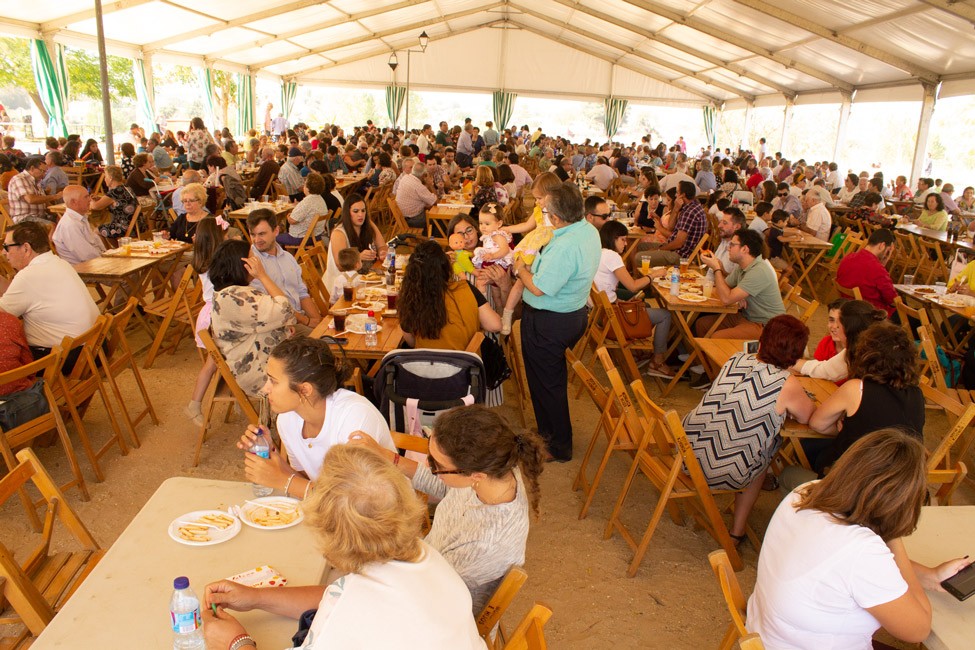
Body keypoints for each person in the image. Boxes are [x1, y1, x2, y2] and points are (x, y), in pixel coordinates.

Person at [202, 445, 485, 650]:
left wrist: (236, 642)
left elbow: (346, 605)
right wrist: (257, 597)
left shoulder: (351, 610)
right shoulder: (425, 556)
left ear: (330, 538)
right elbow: (335, 595)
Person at [752, 429, 971, 650]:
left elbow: (864, 572)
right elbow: (919, 629)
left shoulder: (807, 492)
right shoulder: (861, 551)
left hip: (769, 633)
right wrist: (893, 535)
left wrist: (931, 576)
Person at [350, 404, 544, 613]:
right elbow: (445, 486)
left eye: (436, 465)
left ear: (475, 475)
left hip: (442, 607)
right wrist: (388, 457)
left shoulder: (485, 543)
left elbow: (429, 590)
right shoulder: (495, 467)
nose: (429, 466)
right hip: (428, 566)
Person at [682, 315, 816, 543]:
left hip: (686, 453)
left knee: (747, 438)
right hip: (720, 470)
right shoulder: (786, 382)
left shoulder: (736, 359)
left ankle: (739, 520)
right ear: (796, 353)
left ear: (763, 340)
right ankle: (737, 531)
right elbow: (807, 416)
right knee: (765, 451)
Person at [236, 336, 394, 495]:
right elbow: (305, 481)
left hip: (384, 514)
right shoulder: (287, 419)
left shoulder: (354, 416)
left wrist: (282, 480)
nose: (265, 389)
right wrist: (270, 453)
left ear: (305, 390)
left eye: (273, 381)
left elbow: (350, 502)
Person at [515, 183, 599, 462]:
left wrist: (521, 269)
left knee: (547, 383)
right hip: (570, 313)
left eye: (545, 210)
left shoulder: (566, 244)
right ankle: (547, 433)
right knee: (547, 380)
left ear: (559, 217)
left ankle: (557, 445)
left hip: (550, 320)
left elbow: (538, 288)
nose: (542, 213)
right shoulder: (586, 229)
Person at [791, 322, 925, 481]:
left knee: (790, 472)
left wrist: (846, 428)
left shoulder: (856, 388)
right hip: (899, 482)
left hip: (855, 478)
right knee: (813, 448)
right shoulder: (917, 395)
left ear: (866, 355)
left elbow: (816, 424)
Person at [0, 221, 98, 374]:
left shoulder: (29, 276)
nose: (4, 253)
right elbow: (15, 295)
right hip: (93, 348)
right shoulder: (58, 262)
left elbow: (3, 316)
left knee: (6, 354)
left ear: (26, 248)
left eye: (7, 247)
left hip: (65, 357)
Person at [209, 239, 296, 396]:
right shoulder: (234, 298)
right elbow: (285, 309)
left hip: (263, 359)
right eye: (252, 258)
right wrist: (262, 275)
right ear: (241, 265)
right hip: (259, 373)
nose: (257, 262)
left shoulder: (230, 292)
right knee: (314, 374)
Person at [595, 221, 675, 378]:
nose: (626, 244)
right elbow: (633, 286)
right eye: (623, 239)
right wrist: (653, 276)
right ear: (613, 238)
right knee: (665, 315)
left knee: (642, 304)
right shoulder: (612, 256)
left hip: (598, 314)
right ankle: (657, 362)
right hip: (611, 319)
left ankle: (637, 352)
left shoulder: (598, 252)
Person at [399, 240, 501, 349]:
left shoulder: (410, 297)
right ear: (446, 268)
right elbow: (495, 325)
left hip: (424, 363)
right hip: (464, 363)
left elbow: (411, 343)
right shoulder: (465, 289)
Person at [697, 228, 785, 340]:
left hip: (766, 325)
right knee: (702, 324)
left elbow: (726, 299)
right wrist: (736, 296)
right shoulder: (742, 266)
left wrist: (716, 268)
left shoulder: (759, 270)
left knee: (718, 337)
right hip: (746, 317)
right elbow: (725, 288)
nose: (728, 248)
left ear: (744, 249)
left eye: (732, 245)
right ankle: (702, 357)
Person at [247, 210, 322, 331]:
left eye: (261, 234)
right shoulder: (253, 263)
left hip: (300, 318)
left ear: (276, 231)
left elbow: (302, 293)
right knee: (325, 344)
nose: (257, 240)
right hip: (281, 325)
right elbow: (271, 306)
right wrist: (307, 322)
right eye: (253, 234)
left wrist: (317, 321)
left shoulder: (288, 258)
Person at [184, 217, 228, 426]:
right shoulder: (217, 264)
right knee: (213, 363)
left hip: (210, 312)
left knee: (215, 361)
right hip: (217, 315)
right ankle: (194, 403)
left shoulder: (203, 259)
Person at [792, 299, 884, 382]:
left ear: (851, 330)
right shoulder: (858, 348)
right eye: (832, 320)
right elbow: (823, 370)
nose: (835, 327)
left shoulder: (867, 354)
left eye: (840, 325)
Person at [323, 194, 387, 296]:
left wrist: (382, 252)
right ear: (347, 213)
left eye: (363, 210)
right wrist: (359, 257)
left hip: (362, 277)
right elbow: (340, 265)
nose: (360, 215)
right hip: (341, 285)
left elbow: (382, 246)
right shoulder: (339, 233)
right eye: (356, 211)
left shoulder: (368, 224)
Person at [635, 181, 707, 267]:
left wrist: (659, 249)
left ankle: (650, 278)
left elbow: (678, 243)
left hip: (680, 255)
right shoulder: (690, 207)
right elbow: (670, 227)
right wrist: (676, 209)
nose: (675, 195)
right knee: (641, 246)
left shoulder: (690, 213)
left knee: (639, 257)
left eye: (677, 192)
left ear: (682, 195)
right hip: (674, 248)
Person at [836, 227, 897, 316]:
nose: (888, 254)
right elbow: (892, 300)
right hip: (872, 314)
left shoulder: (849, 257)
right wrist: (884, 262)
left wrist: (882, 264)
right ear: (882, 246)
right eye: (888, 251)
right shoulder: (877, 268)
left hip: (847, 309)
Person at [51, 185, 105, 265]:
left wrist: (107, 255)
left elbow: (95, 242)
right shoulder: (69, 225)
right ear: (74, 202)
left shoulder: (79, 218)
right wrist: (107, 259)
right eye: (86, 197)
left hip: (94, 264)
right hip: (84, 271)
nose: (90, 200)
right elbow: (86, 255)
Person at [277, 171, 328, 247]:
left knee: (272, 237)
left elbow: (292, 220)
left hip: (301, 237)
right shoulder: (320, 199)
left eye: (305, 184)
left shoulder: (307, 202)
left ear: (308, 188)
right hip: (317, 236)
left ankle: (286, 258)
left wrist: (288, 217)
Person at [92, 165, 141, 240]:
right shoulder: (127, 188)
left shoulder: (114, 193)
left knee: (97, 230)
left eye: (106, 177)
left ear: (111, 178)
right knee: (107, 228)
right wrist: (101, 198)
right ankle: (117, 248)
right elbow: (119, 200)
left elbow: (95, 206)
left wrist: (90, 200)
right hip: (137, 225)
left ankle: (110, 250)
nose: (105, 179)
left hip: (125, 228)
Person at [7, 157, 61, 224]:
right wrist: (54, 196)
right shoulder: (19, 179)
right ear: (32, 168)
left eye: (45, 172)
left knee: (62, 222)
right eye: (42, 171)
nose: (44, 175)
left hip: (39, 216)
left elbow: (45, 203)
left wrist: (58, 213)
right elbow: (30, 199)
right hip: (24, 218)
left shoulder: (36, 182)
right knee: (51, 226)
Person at [396, 163, 438, 228]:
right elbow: (435, 201)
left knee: (430, 210)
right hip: (413, 220)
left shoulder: (405, 177)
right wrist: (430, 184)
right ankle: (431, 237)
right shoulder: (418, 186)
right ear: (424, 175)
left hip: (402, 217)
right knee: (438, 219)